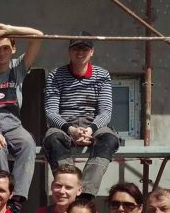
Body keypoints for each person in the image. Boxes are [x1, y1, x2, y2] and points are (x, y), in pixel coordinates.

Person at [0, 23, 43, 213]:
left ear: (13, 49)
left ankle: (16, 201)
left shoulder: (18, 67)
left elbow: (38, 36)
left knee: (28, 143)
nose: (1, 52)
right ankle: (1, 198)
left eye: (5, 48)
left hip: (13, 124)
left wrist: (8, 29)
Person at [42, 33, 119, 199]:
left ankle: (85, 194)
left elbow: (105, 112)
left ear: (92, 52)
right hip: (64, 126)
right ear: (69, 51)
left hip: (94, 125)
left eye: (84, 49)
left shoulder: (102, 75)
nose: (80, 52)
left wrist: (90, 130)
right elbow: (51, 112)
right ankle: (69, 186)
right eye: (76, 48)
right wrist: (70, 130)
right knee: (52, 139)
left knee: (109, 140)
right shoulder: (55, 75)